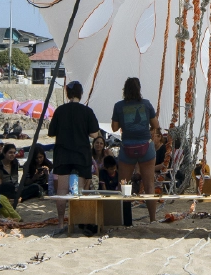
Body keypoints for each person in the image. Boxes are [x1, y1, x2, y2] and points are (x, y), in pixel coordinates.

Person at [111, 77, 162, 223]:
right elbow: (156, 125)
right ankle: (152, 219)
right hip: (146, 147)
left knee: (124, 185)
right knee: (149, 185)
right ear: (139, 89)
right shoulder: (146, 104)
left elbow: (114, 128)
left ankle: (126, 220)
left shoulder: (119, 106)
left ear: (125, 90)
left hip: (127, 147)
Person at [49, 81, 101, 222]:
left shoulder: (60, 110)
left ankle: (61, 222)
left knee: (62, 190)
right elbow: (94, 134)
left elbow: (51, 132)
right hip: (81, 154)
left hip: (62, 154)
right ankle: (78, 221)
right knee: (79, 189)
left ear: (67, 94)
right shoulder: (87, 111)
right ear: (81, 94)